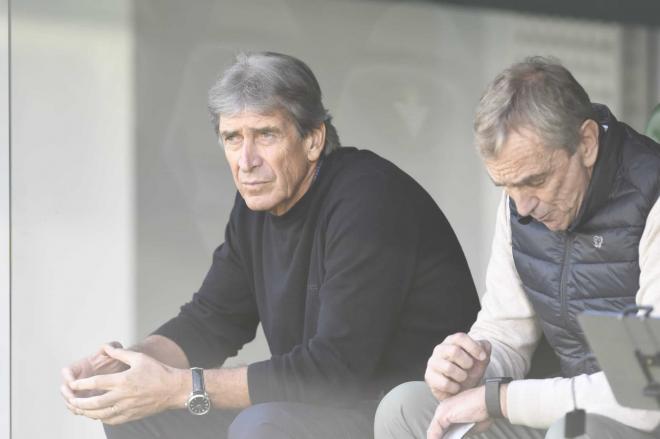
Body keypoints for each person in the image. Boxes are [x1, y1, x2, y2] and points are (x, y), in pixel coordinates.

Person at [60, 51, 480, 439]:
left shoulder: (369, 200)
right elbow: (211, 320)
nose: (246, 161)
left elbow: (335, 371)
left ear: (313, 140)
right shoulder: (257, 205)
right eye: (232, 138)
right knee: (137, 410)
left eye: (265, 135)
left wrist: (179, 387)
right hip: (321, 406)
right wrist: (127, 369)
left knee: (263, 426)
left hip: (405, 416)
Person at [374, 56, 660, 439]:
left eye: (536, 180)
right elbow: (507, 333)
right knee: (406, 409)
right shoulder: (521, 205)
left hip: (638, 419)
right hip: (567, 409)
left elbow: (645, 394)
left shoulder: (652, 199)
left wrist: (498, 399)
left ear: (587, 143)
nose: (522, 207)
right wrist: (475, 368)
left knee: (574, 432)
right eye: (507, 187)